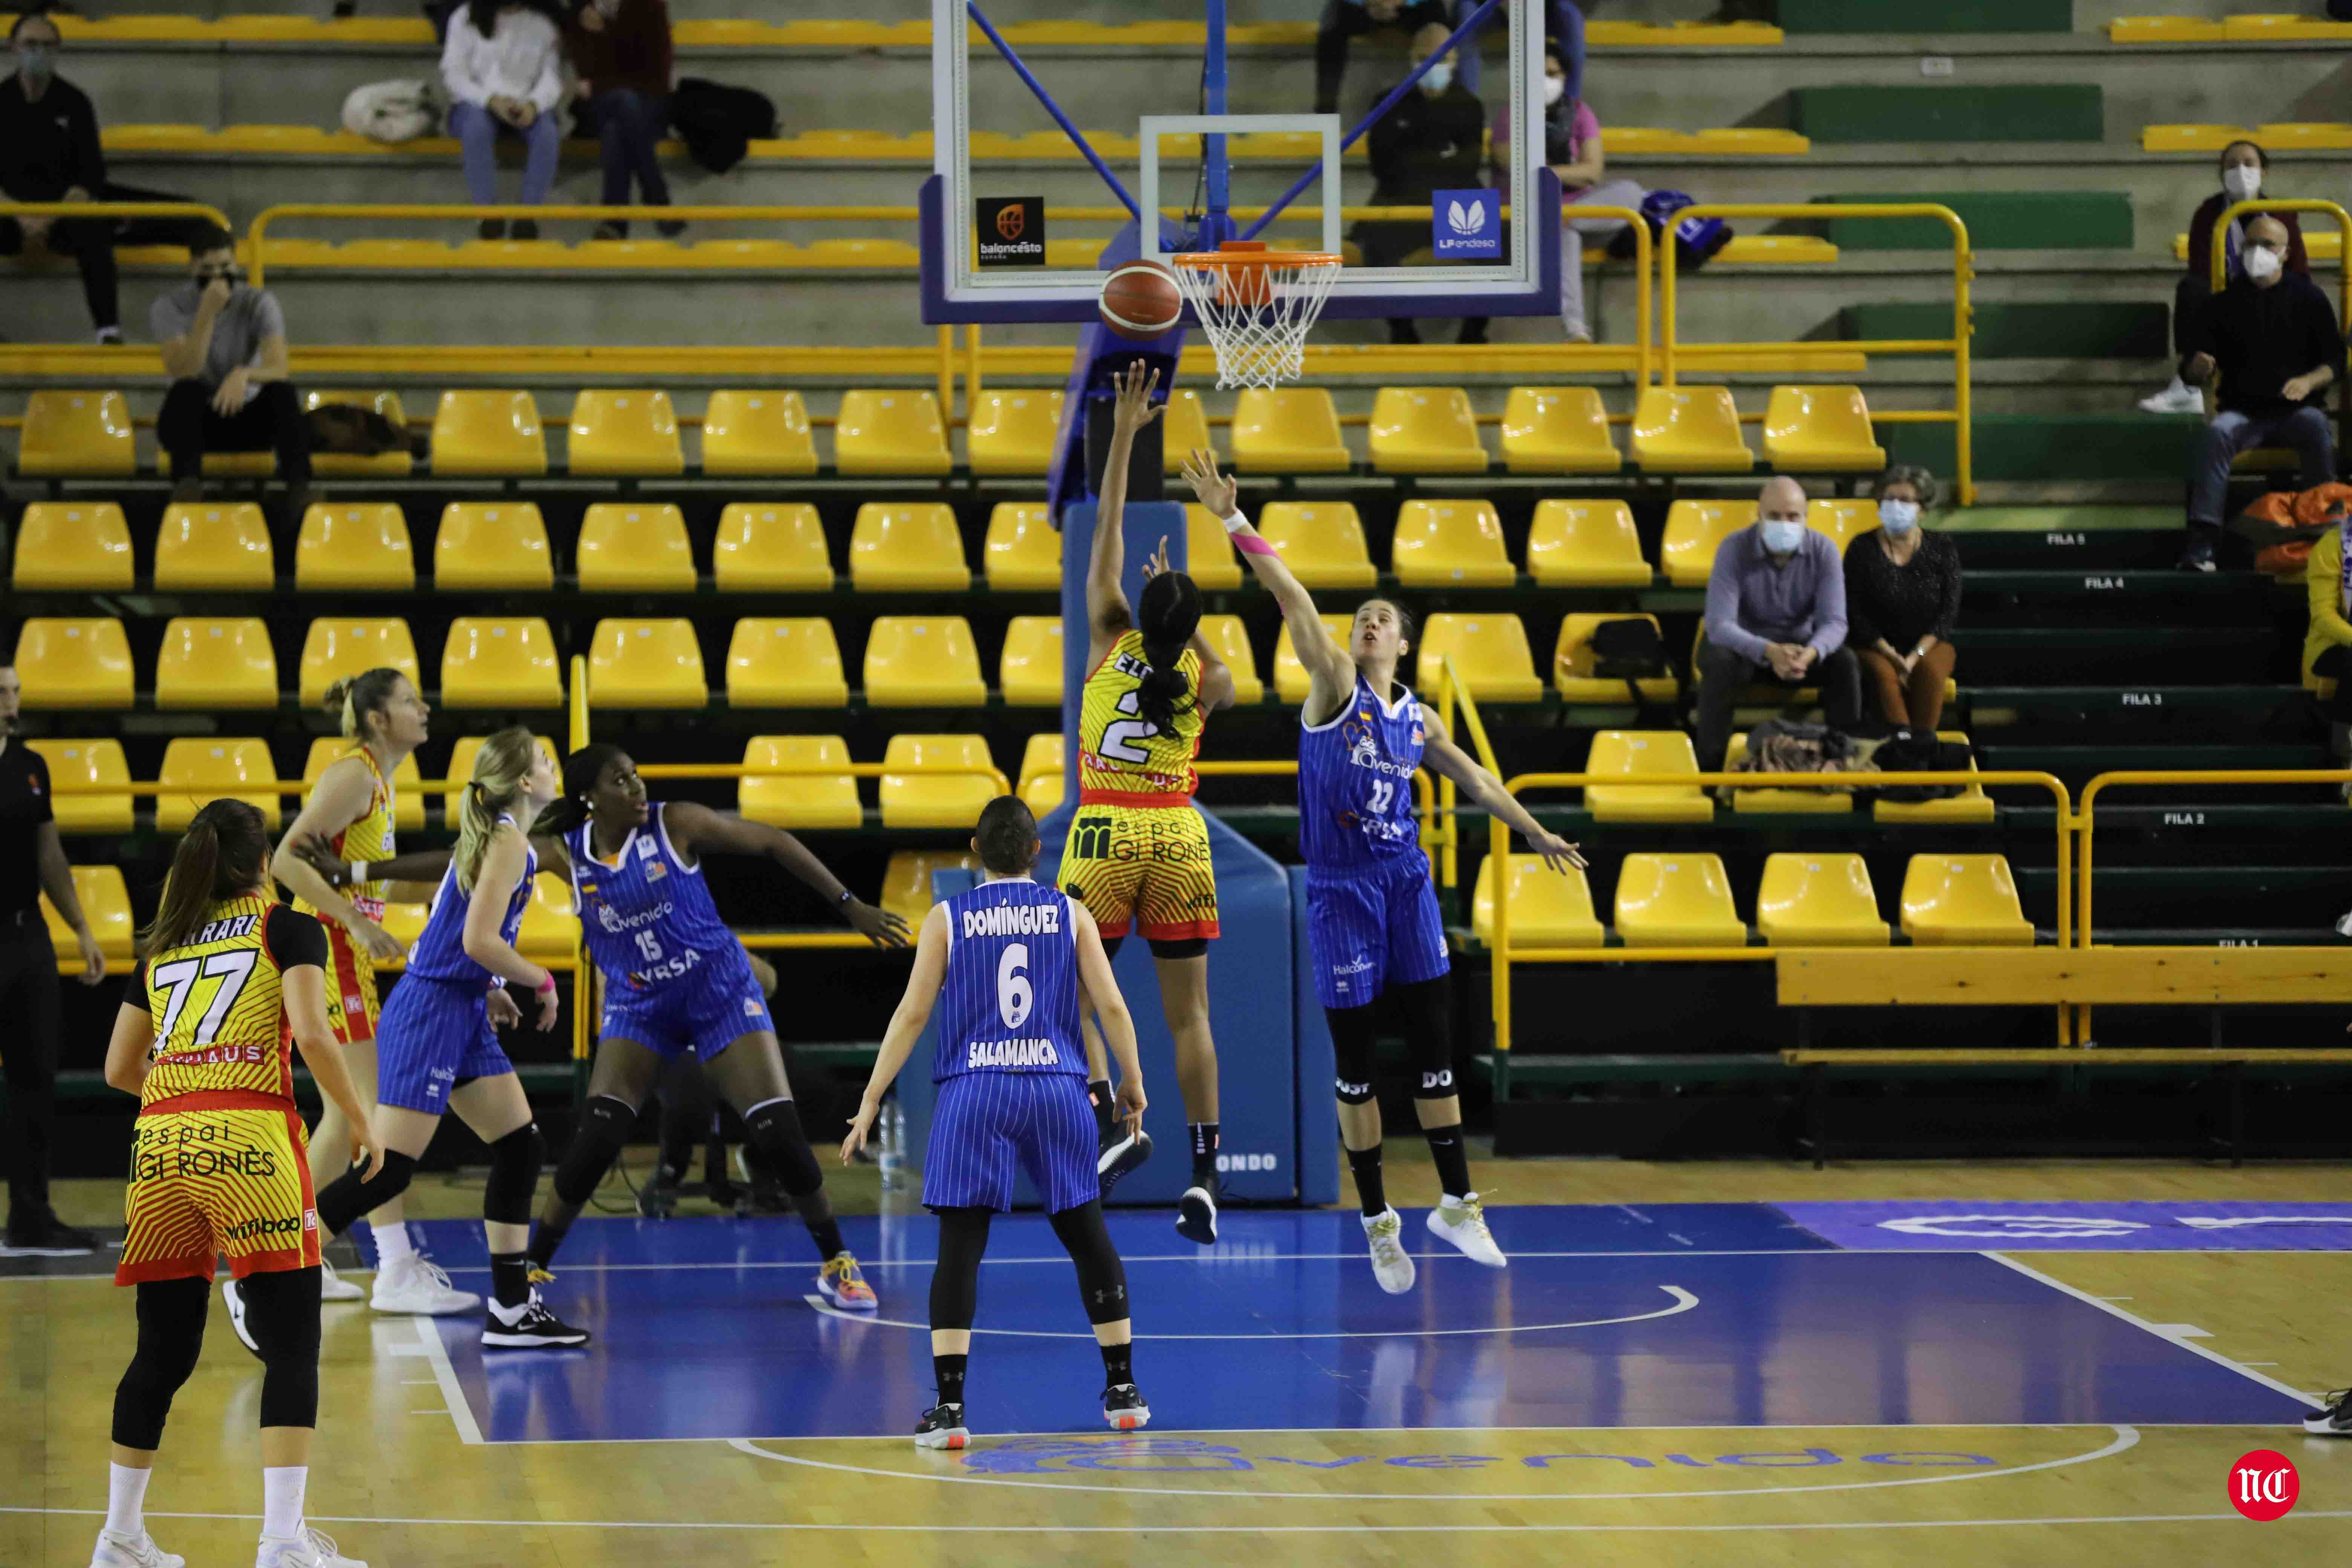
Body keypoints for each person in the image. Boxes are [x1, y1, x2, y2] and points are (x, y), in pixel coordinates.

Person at [1179, 447, 1583, 1293]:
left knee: (1436, 1052)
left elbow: (1474, 780)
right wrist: (1230, 516)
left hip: (1404, 884)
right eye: (1361, 614)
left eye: (1381, 618)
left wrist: (1539, 831)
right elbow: (1291, 598)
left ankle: (1457, 1201)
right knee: (1358, 1066)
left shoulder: (1417, 719)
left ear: (1402, 641)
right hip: (1339, 895)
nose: (1368, 623)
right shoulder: (1333, 688)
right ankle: (1376, 1220)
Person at [509, 746, 907, 1301]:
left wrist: (849, 904)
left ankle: (837, 1262)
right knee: (595, 1141)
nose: (636, 786)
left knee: (781, 1136)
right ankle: (527, 1273)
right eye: (620, 781)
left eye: (636, 773)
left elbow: (773, 841)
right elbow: (470, 863)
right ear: (589, 799)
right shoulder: (565, 855)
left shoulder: (677, 823)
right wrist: (363, 872)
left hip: (719, 995)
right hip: (641, 1009)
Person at [93, 799, 378, 1568]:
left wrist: (187, 1083)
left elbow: (121, 1068)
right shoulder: (287, 926)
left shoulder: (163, 943)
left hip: (159, 1144)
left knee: (162, 1350)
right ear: (262, 863)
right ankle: (283, 1542)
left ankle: (119, 1537)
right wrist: (358, 1119)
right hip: (248, 1140)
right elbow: (314, 1035)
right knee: (293, 1345)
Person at [252, 727, 587, 1351]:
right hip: (432, 1012)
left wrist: (487, 986)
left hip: (459, 1005)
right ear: (522, 781)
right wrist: (541, 980)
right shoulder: (508, 843)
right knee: (386, 1170)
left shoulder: (503, 842)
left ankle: (512, 1309)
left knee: (520, 1146)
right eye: (544, 760)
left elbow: (454, 929)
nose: (552, 766)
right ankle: (267, 1274)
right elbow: (476, 941)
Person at [842, 795, 1152, 1449]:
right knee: (1087, 1236)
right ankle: (1123, 1390)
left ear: (975, 852)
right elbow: (1114, 1008)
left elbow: (912, 1016)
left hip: (975, 1090)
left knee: (961, 1249)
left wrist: (871, 1098)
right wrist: (1132, 1081)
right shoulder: (1071, 914)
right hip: (1055, 1087)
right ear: (1038, 853)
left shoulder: (947, 917)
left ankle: (951, 1409)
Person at [1063, 363, 1237, 1240]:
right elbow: (1229, 676)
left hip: (1102, 827)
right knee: (1191, 1014)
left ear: (1139, 606)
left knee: (1072, 991)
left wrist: (1127, 431)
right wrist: (1186, 618)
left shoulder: (1106, 630)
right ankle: (1205, 1172)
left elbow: (1105, 536)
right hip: (1176, 833)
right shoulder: (1204, 678)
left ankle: (1111, 1119)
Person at [266, 669, 476, 1317]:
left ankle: (284, 1254)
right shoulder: (352, 774)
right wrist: (354, 921)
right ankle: (395, 1267)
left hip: (340, 948)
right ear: (380, 718)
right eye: (411, 701)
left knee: (342, 1119)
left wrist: (460, 881)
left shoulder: (379, 781)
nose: (425, 708)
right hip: (331, 949)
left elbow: (374, 885)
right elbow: (285, 860)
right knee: (380, 1112)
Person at [0, 12, 201, 345]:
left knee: (96, 225)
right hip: (9, 218)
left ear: (58, 49)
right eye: (30, 44)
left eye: (47, 45)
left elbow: (89, 176)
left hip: (66, 216)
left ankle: (108, 331)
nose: (38, 52)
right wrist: (22, 217)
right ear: (13, 48)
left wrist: (47, 219)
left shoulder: (74, 102)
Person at [0, 660, 104, 1255]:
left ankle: (31, 1216)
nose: (11, 701)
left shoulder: (30, 767)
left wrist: (83, 929)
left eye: (15, 691)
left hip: (26, 935)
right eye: (1, 691)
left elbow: (50, 855)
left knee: (34, 1079)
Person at [2178, 213, 2346, 571]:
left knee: (2316, 426)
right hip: (2243, 413)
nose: (2257, 252)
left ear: (2285, 253)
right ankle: (2203, 542)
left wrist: (2309, 382)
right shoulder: (2221, 305)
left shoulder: (2309, 298)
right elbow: (2192, 367)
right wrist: (2197, 368)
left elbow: (2335, 361)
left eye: (2267, 245)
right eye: (2250, 245)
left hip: (2295, 412)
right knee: (2217, 434)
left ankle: (2327, 532)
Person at [1695, 476, 1863, 771]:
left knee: (1845, 663)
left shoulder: (1825, 551)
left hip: (1802, 654)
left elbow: (1835, 622)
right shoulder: (1733, 549)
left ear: (1805, 518)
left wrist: (1811, 653)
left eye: (1792, 516)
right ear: (1759, 516)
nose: (1784, 523)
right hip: (1746, 652)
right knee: (1718, 660)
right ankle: (1711, 770)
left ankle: (1843, 763)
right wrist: (1769, 651)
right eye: (1774, 516)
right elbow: (1719, 624)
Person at [1490, 40, 1646, 343]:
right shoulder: (1510, 116)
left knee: (1631, 192)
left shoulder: (1579, 112)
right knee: (1563, 233)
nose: (1547, 81)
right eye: (1540, 74)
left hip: (1576, 212)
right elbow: (1512, 166)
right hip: (1528, 219)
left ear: (1565, 77)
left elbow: (1593, 171)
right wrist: (1566, 176)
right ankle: (1576, 329)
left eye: (1554, 74)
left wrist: (1547, 174)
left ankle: (1561, 217)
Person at [2141, 141, 2309, 416]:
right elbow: (2200, 269)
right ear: (2221, 173)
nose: (2240, 171)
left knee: (2303, 293)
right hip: (2226, 297)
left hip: (2273, 295)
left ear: (2264, 171)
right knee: (2192, 288)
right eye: (2231, 165)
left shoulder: (2283, 212)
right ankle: (2189, 385)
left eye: (2248, 164)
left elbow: (2299, 269)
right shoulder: (2208, 213)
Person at [151, 225, 309, 510]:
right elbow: (184, 369)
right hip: (196, 424)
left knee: (283, 393)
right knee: (186, 391)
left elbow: (279, 366)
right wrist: (206, 314)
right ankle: (188, 489)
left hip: (246, 416)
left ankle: (299, 490)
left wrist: (244, 374)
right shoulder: (169, 307)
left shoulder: (259, 302)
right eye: (208, 269)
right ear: (192, 267)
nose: (218, 276)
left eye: (225, 267)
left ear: (236, 264)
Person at [1355, 21, 1487, 345]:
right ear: (1411, 58)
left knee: (1497, 248)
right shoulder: (1387, 102)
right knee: (1374, 250)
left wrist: (1414, 158)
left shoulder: (1470, 106)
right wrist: (1441, 159)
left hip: (1455, 202)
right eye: (1423, 57)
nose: (1431, 65)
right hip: (1399, 197)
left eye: (1440, 58)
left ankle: (1474, 331)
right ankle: (1402, 330)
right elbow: (1382, 166)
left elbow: (1468, 167)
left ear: (1455, 60)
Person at [1842, 465, 1961, 731]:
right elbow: (1854, 611)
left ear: (1923, 509)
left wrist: (1914, 657)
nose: (1896, 506)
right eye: (1889, 499)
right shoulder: (1861, 548)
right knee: (1883, 675)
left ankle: (1922, 747)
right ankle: (1904, 746)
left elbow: (1948, 613)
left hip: (1929, 646)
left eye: (1905, 500)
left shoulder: (1943, 548)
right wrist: (1892, 656)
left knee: (1930, 672)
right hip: (1874, 646)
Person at [443, 0, 564, 239]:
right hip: (477, 104)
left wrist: (534, 104)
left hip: (525, 104)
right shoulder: (464, 17)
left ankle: (528, 217)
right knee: (476, 127)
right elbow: (453, 74)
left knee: (548, 133)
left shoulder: (545, 23)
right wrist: (491, 100)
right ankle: (488, 215)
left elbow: (552, 77)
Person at [568, 0, 680, 239]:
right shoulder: (580, 13)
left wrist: (607, 34)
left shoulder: (650, 7)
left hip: (648, 105)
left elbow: (657, 78)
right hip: (598, 108)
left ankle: (615, 224)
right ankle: (657, 198)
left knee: (617, 126)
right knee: (623, 104)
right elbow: (584, 77)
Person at [1313, 0, 1451, 116]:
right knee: (1333, 20)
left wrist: (1398, 2)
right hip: (1364, 8)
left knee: (1439, 23)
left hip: (1412, 8)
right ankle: (1326, 109)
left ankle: (1438, 102)